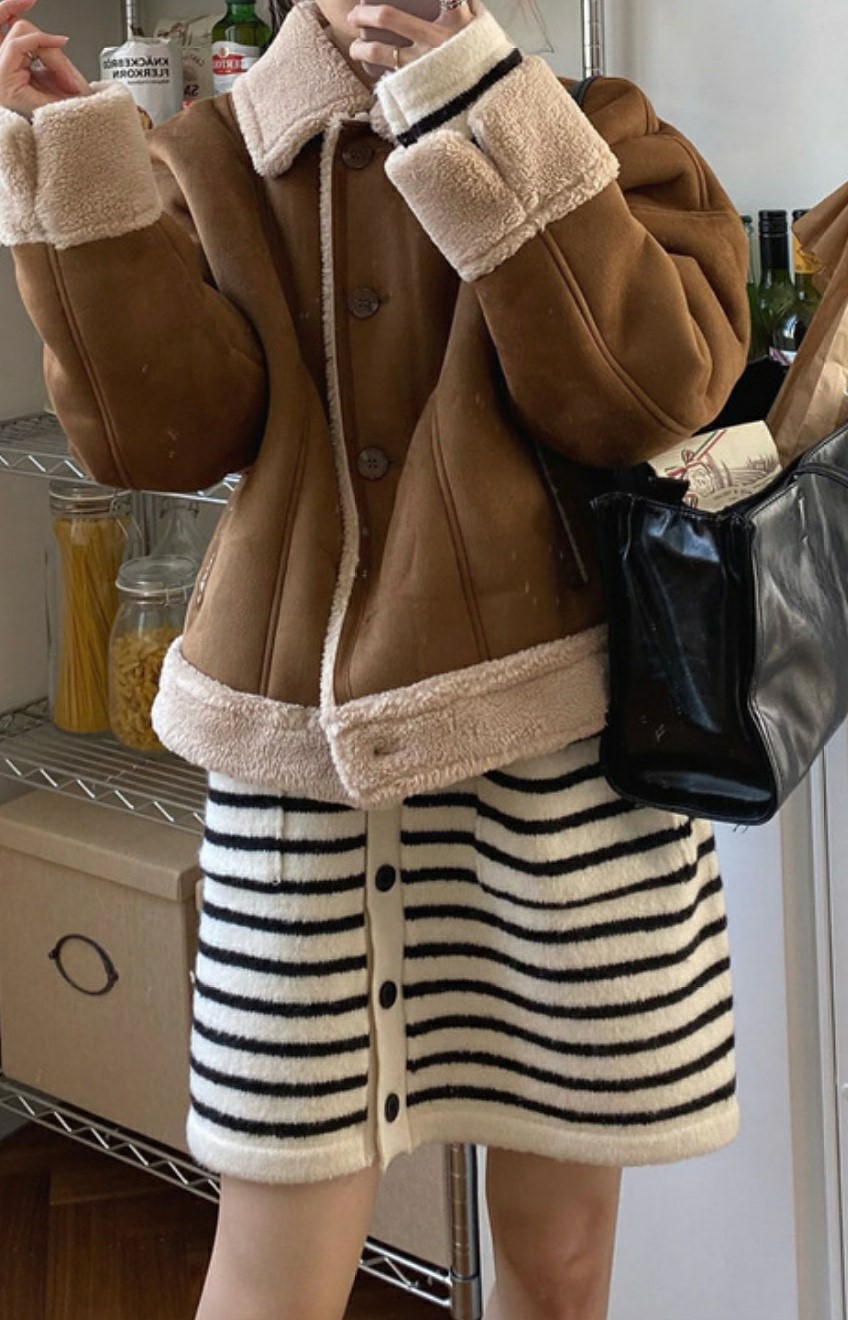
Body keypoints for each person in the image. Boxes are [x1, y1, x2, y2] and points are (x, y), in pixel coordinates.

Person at [0, 0, 750, 1315]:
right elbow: (158, 437)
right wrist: (72, 159)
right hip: (300, 775)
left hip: (562, 765)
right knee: (272, 1271)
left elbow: (644, 396)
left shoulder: (597, 125)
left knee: (560, 1265)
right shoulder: (214, 154)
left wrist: (479, 112)